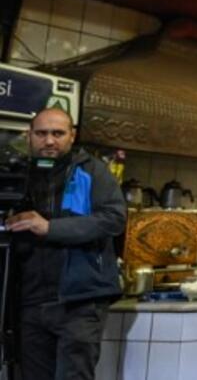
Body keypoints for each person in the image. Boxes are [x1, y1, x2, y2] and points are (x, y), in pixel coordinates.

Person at [7, 108, 125, 380]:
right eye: (42, 133)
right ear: (29, 136)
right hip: (30, 302)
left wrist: (50, 228)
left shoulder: (93, 171)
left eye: (58, 133)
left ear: (73, 136)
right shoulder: (18, 174)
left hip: (79, 302)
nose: (49, 141)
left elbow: (114, 219)